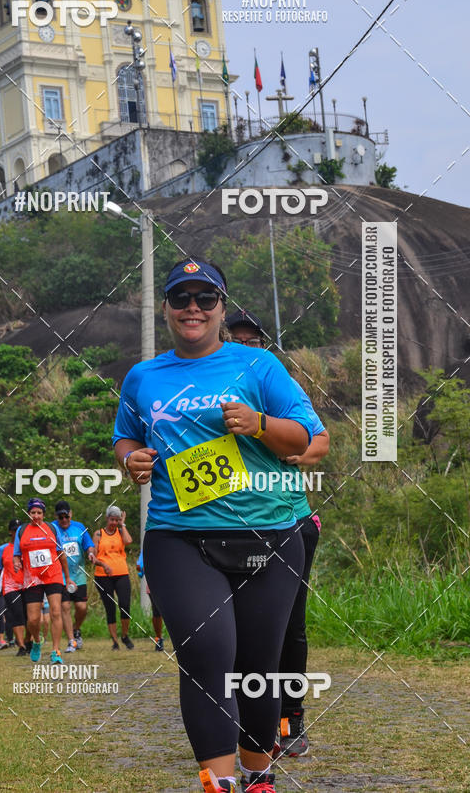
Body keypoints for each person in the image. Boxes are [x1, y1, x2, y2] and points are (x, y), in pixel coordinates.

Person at [113, 259, 314, 793]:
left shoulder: (260, 366)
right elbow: (126, 437)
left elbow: (311, 442)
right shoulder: (143, 376)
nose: (193, 309)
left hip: (269, 534)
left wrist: (262, 424)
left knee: (257, 664)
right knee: (206, 654)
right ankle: (219, 783)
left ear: (222, 307)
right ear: (166, 308)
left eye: (206, 299)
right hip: (179, 537)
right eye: (182, 299)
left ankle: (257, 773)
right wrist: (130, 459)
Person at [226, 308, 330, 758]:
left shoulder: (276, 384)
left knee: (289, 626)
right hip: (223, 526)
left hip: (290, 521)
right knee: (227, 628)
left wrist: (298, 454)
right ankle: (239, 719)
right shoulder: (206, 387)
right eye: (237, 339)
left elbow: (319, 440)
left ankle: (292, 720)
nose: (246, 348)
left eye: (254, 342)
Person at [13, 497, 72, 665]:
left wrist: (67, 578)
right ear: (28, 513)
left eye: (39, 513)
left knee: (55, 612)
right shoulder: (22, 531)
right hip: (32, 578)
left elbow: (61, 554)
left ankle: (55, 650)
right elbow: (17, 554)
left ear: (44, 514)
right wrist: (17, 562)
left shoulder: (52, 528)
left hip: (53, 575)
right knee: (33, 619)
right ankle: (37, 642)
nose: (36, 516)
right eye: (33, 513)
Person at [52, 500, 97, 652]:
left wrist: (91, 553)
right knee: (64, 607)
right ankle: (72, 641)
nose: (64, 520)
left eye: (66, 516)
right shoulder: (51, 528)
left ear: (70, 514)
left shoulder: (79, 527)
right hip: (60, 576)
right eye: (61, 517)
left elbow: (89, 544)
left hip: (78, 575)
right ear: (56, 517)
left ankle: (76, 629)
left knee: (81, 607)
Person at [93, 506, 133, 650]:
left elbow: (128, 541)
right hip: (103, 575)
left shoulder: (121, 532)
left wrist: (123, 525)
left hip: (121, 573)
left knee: (124, 605)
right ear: (107, 518)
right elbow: (93, 555)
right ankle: (115, 641)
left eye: (117, 520)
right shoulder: (99, 534)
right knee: (110, 607)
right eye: (112, 519)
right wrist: (103, 564)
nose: (114, 522)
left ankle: (124, 635)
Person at [0, 520, 29, 656]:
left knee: (30, 616)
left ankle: (28, 641)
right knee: (17, 615)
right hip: (10, 587)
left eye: (19, 530)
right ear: (10, 531)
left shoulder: (27, 545)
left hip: (27, 585)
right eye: (14, 530)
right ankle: (21, 646)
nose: (16, 533)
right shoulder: (2, 549)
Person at [136, 550, 164, 651]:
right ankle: (158, 639)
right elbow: (139, 567)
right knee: (157, 612)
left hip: (171, 583)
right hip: (154, 584)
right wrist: (141, 568)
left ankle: (178, 640)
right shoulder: (149, 547)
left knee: (174, 614)